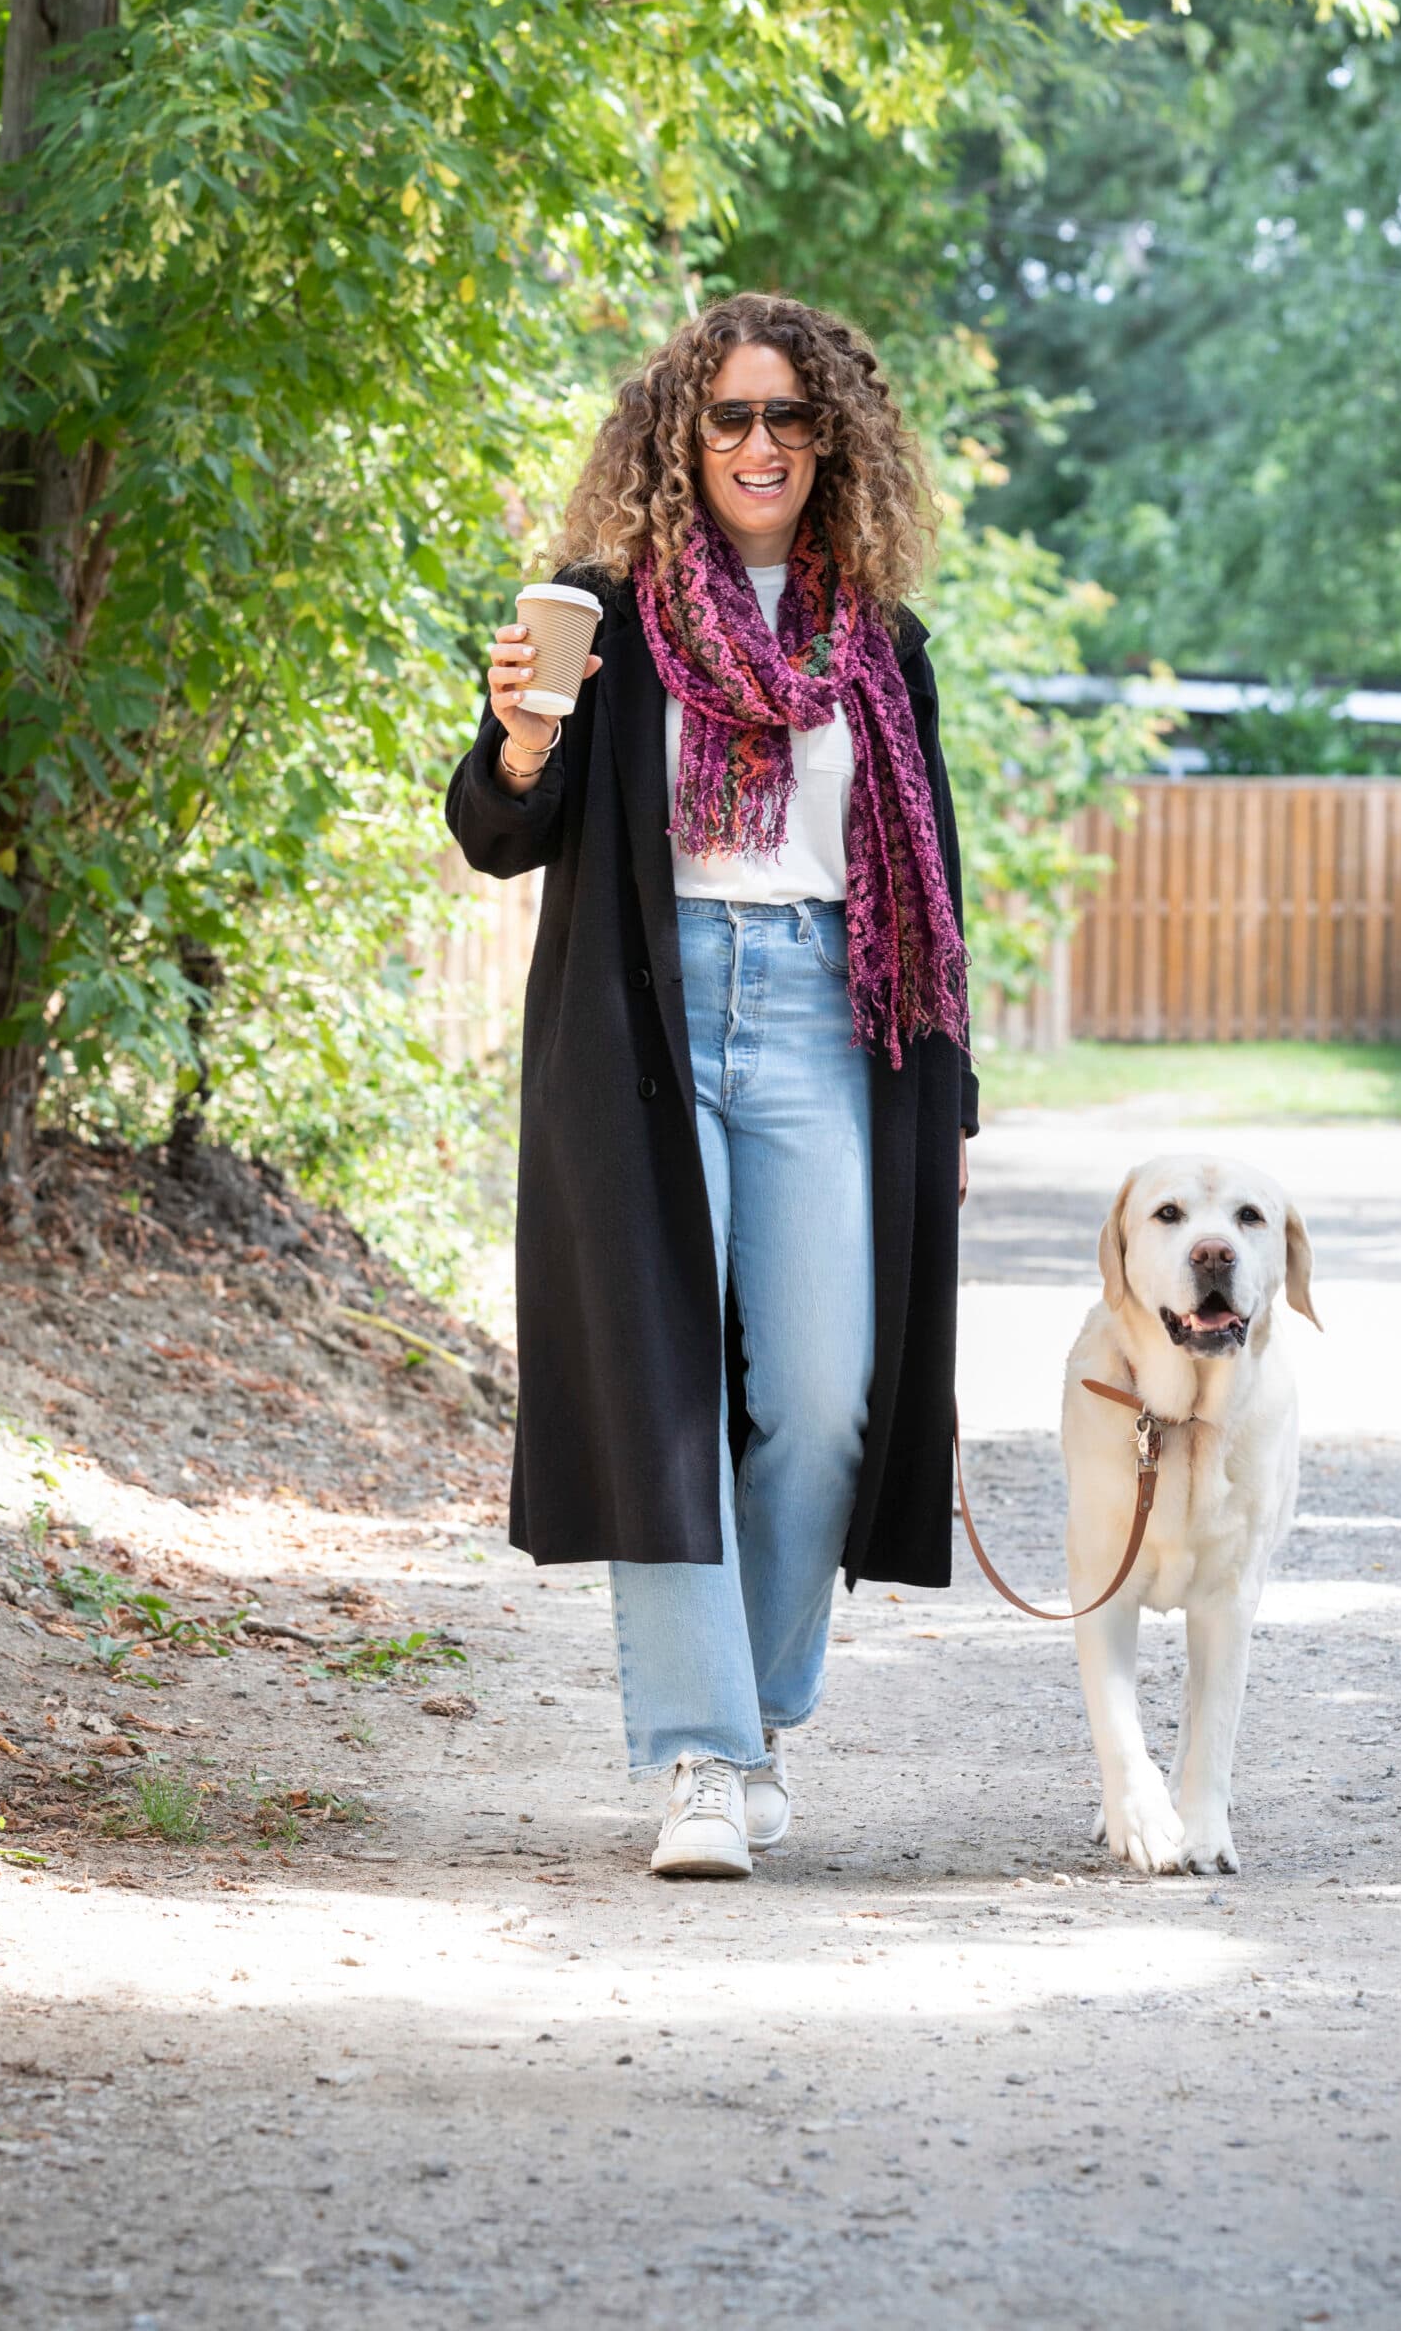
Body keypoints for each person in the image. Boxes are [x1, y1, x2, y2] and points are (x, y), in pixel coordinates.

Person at [445, 292, 977, 1878]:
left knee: (822, 1404)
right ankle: (704, 1761)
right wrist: (523, 741)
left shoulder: (878, 644)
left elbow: (932, 881)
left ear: (833, 441)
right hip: (644, 1020)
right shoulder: (606, 620)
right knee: (664, 1397)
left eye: (787, 418)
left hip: (832, 1014)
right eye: (728, 417)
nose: (759, 444)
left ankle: (750, 1707)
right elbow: (493, 835)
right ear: (682, 440)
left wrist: (943, 1103)